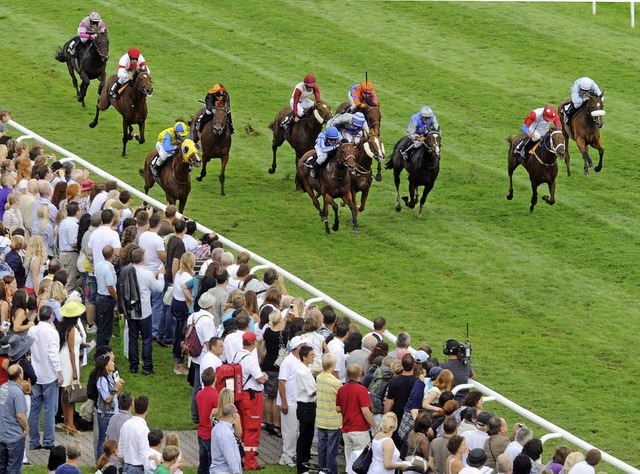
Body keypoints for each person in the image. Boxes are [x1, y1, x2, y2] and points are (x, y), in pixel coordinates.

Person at [28, 305, 63, 451]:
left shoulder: (32, 330)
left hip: (35, 374)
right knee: (50, 410)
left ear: (38, 317)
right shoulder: (52, 333)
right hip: (49, 375)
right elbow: (53, 354)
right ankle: (48, 441)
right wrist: (60, 372)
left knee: (34, 410)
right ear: (51, 317)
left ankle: (33, 441)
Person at [233, 331, 268, 471]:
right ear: (253, 343)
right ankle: (250, 462)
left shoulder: (238, 355)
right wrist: (264, 377)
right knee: (252, 429)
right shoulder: (250, 359)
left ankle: (241, 456)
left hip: (241, 396)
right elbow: (260, 378)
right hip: (252, 398)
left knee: (242, 428)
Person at [129, 247, 165, 375]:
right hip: (144, 311)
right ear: (143, 259)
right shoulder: (146, 273)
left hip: (131, 309)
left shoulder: (127, 271)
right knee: (146, 339)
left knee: (133, 338)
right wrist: (161, 275)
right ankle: (147, 367)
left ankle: (133, 366)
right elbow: (159, 288)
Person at [336, 364, 379, 463]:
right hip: (360, 429)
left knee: (350, 460)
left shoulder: (341, 389)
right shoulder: (362, 390)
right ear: (360, 374)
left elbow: (338, 409)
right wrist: (375, 427)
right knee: (361, 461)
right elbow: (365, 411)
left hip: (346, 429)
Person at [186, 291, 217, 424]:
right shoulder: (207, 321)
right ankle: (197, 416)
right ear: (211, 306)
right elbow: (209, 342)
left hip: (194, 355)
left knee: (197, 387)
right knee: (201, 387)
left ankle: (195, 415)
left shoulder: (193, 316)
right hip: (204, 357)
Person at [277, 335, 306, 467]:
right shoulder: (288, 362)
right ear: (297, 348)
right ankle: (286, 456)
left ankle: (292, 454)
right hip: (289, 402)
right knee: (289, 431)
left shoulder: (299, 360)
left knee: (296, 430)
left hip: (297, 401)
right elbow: (281, 382)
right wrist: (284, 402)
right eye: (303, 345)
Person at [58, 301, 86, 436]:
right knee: (70, 393)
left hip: (65, 360)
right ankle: (70, 423)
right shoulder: (72, 329)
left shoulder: (65, 327)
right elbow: (71, 350)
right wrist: (75, 369)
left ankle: (67, 422)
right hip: (69, 362)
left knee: (66, 393)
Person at [95, 353, 125, 462]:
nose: (113, 363)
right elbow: (107, 398)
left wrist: (119, 387)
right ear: (105, 366)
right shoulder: (101, 380)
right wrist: (115, 387)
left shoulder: (109, 377)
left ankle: (109, 461)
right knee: (103, 440)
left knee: (110, 439)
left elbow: (115, 395)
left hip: (112, 412)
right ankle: (100, 463)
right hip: (105, 415)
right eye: (111, 362)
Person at [315, 353, 341, 474]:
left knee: (321, 447)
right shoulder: (336, 382)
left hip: (321, 418)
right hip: (333, 420)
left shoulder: (319, 378)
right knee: (332, 449)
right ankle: (330, 471)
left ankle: (321, 469)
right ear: (332, 365)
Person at [0, 364, 28, 473]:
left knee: (2, 467)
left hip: (2, 434)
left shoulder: (2, 388)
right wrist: (26, 428)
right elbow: (20, 415)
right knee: (14, 468)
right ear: (20, 376)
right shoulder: (17, 392)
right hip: (14, 436)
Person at [295, 345, 317, 474]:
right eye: (312, 355)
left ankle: (305, 463)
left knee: (308, 437)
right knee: (304, 437)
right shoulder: (303, 372)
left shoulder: (305, 369)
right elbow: (312, 391)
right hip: (305, 406)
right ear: (304, 357)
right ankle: (302, 466)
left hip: (307, 406)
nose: (313, 357)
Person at [195, 367, 219, 474]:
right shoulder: (215, 396)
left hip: (201, 432)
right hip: (210, 433)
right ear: (215, 379)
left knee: (203, 462)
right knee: (211, 463)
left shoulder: (199, 394)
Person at [118, 395, 150, 473]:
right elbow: (144, 455)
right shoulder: (143, 429)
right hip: (138, 468)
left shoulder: (126, 424)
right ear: (147, 408)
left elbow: (120, 451)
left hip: (126, 466)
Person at [210, 404, 242, 474]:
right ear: (233, 414)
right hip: (225, 471)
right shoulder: (226, 433)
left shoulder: (217, 427)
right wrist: (236, 471)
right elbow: (229, 455)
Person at [95, 245, 118, 347]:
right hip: (106, 299)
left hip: (99, 297)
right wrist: (117, 299)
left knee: (101, 326)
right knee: (106, 327)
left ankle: (101, 346)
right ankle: (102, 349)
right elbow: (110, 287)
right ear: (112, 254)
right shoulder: (109, 268)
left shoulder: (99, 265)